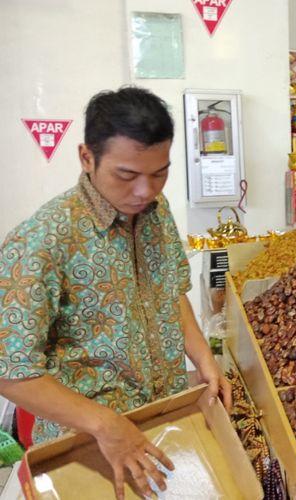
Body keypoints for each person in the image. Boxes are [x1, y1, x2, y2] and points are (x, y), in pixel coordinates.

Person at [0, 86, 231, 499]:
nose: (145, 191)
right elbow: (10, 370)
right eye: (126, 175)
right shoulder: (43, 240)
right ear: (87, 157)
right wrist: (106, 425)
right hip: (86, 443)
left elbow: (170, 291)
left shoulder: (156, 215)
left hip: (164, 424)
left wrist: (202, 357)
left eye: (159, 173)